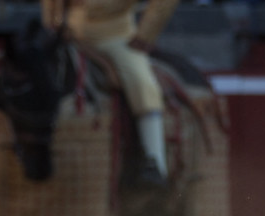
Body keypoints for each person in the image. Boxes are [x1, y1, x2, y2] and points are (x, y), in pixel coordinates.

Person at [43, 0, 178, 186]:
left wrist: (146, 34)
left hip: (115, 37)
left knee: (142, 83)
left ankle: (154, 160)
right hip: (68, 35)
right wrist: (53, 24)